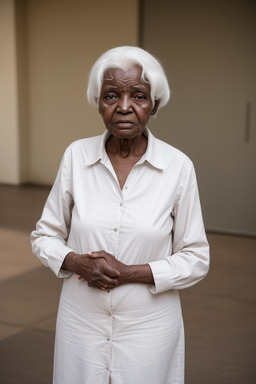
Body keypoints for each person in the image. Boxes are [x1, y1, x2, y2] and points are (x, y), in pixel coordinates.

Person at [31, 46, 210, 384]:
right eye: (111, 95)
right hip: (81, 322)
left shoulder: (178, 167)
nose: (124, 106)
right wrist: (75, 261)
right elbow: (44, 236)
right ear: (98, 102)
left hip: (149, 327)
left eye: (138, 95)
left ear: (154, 104)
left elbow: (196, 258)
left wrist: (131, 273)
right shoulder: (76, 156)